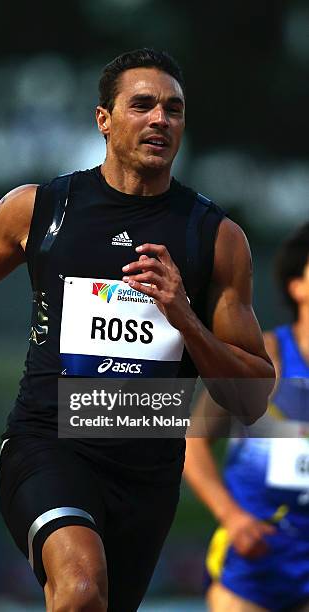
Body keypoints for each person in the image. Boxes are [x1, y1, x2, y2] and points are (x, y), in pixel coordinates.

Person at [0, 48, 274, 611]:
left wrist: (185, 317)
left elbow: (252, 396)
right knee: (79, 588)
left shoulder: (214, 239)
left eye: (173, 109)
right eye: (142, 105)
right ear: (104, 119)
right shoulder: (43, 209)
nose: (159, 120)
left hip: (147, 469)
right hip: (48, 446)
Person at [184, 222, 309, 612]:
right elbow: (192, 444)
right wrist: (232, 517)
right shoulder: (265, 358)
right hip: (252, 566)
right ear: (297, 286)